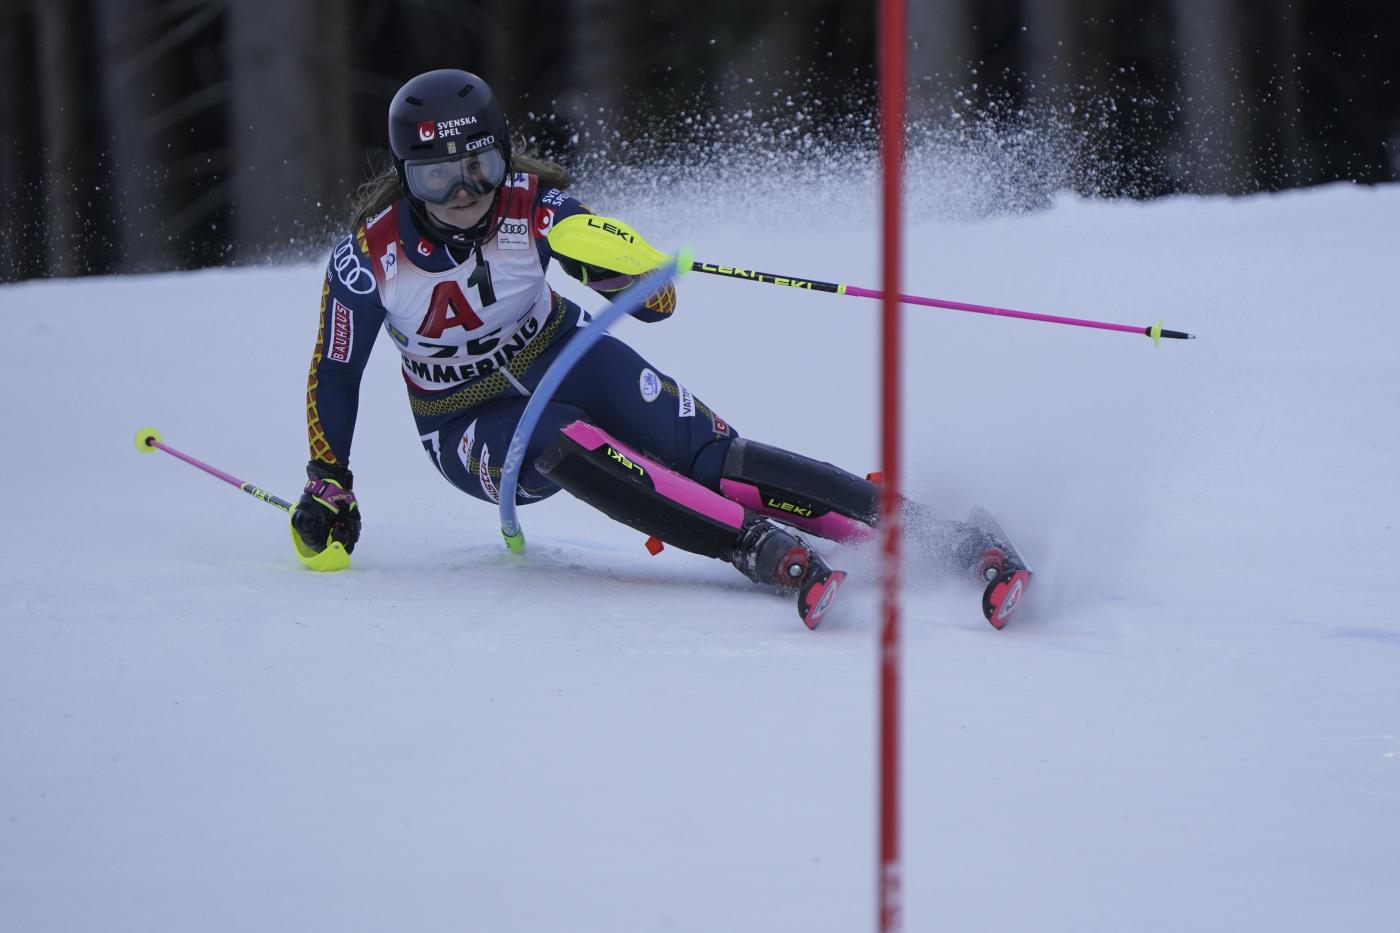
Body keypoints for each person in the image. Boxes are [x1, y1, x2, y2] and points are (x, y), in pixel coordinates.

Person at [291, 68, 1022, 628]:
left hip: (563, 351)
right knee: (555, 440)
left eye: (477, 167)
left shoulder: (528, 205)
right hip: (462, 419)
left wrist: (623, 270)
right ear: (405, 178)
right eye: (436, 177)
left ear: (502, 155)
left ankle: (950, 537)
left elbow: (653, 303)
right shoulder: (368, 259)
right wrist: (330, 478)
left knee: (714, 457)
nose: (462, 193)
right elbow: (336, 372)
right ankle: (760, 548)